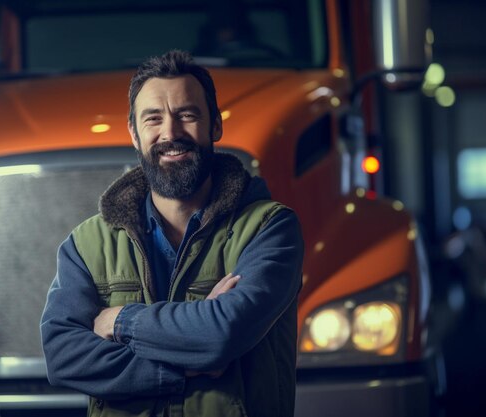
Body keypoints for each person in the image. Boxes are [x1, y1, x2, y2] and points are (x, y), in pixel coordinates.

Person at [40, 50, 304, 417]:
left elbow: (222, 335)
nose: (171, 133)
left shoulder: (269, 229)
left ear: (215, 125)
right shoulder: (86, 245)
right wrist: (177, 369)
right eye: (153, 119)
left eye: (187, 115)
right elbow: (62, 356)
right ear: (134, 133)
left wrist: (120, 321)